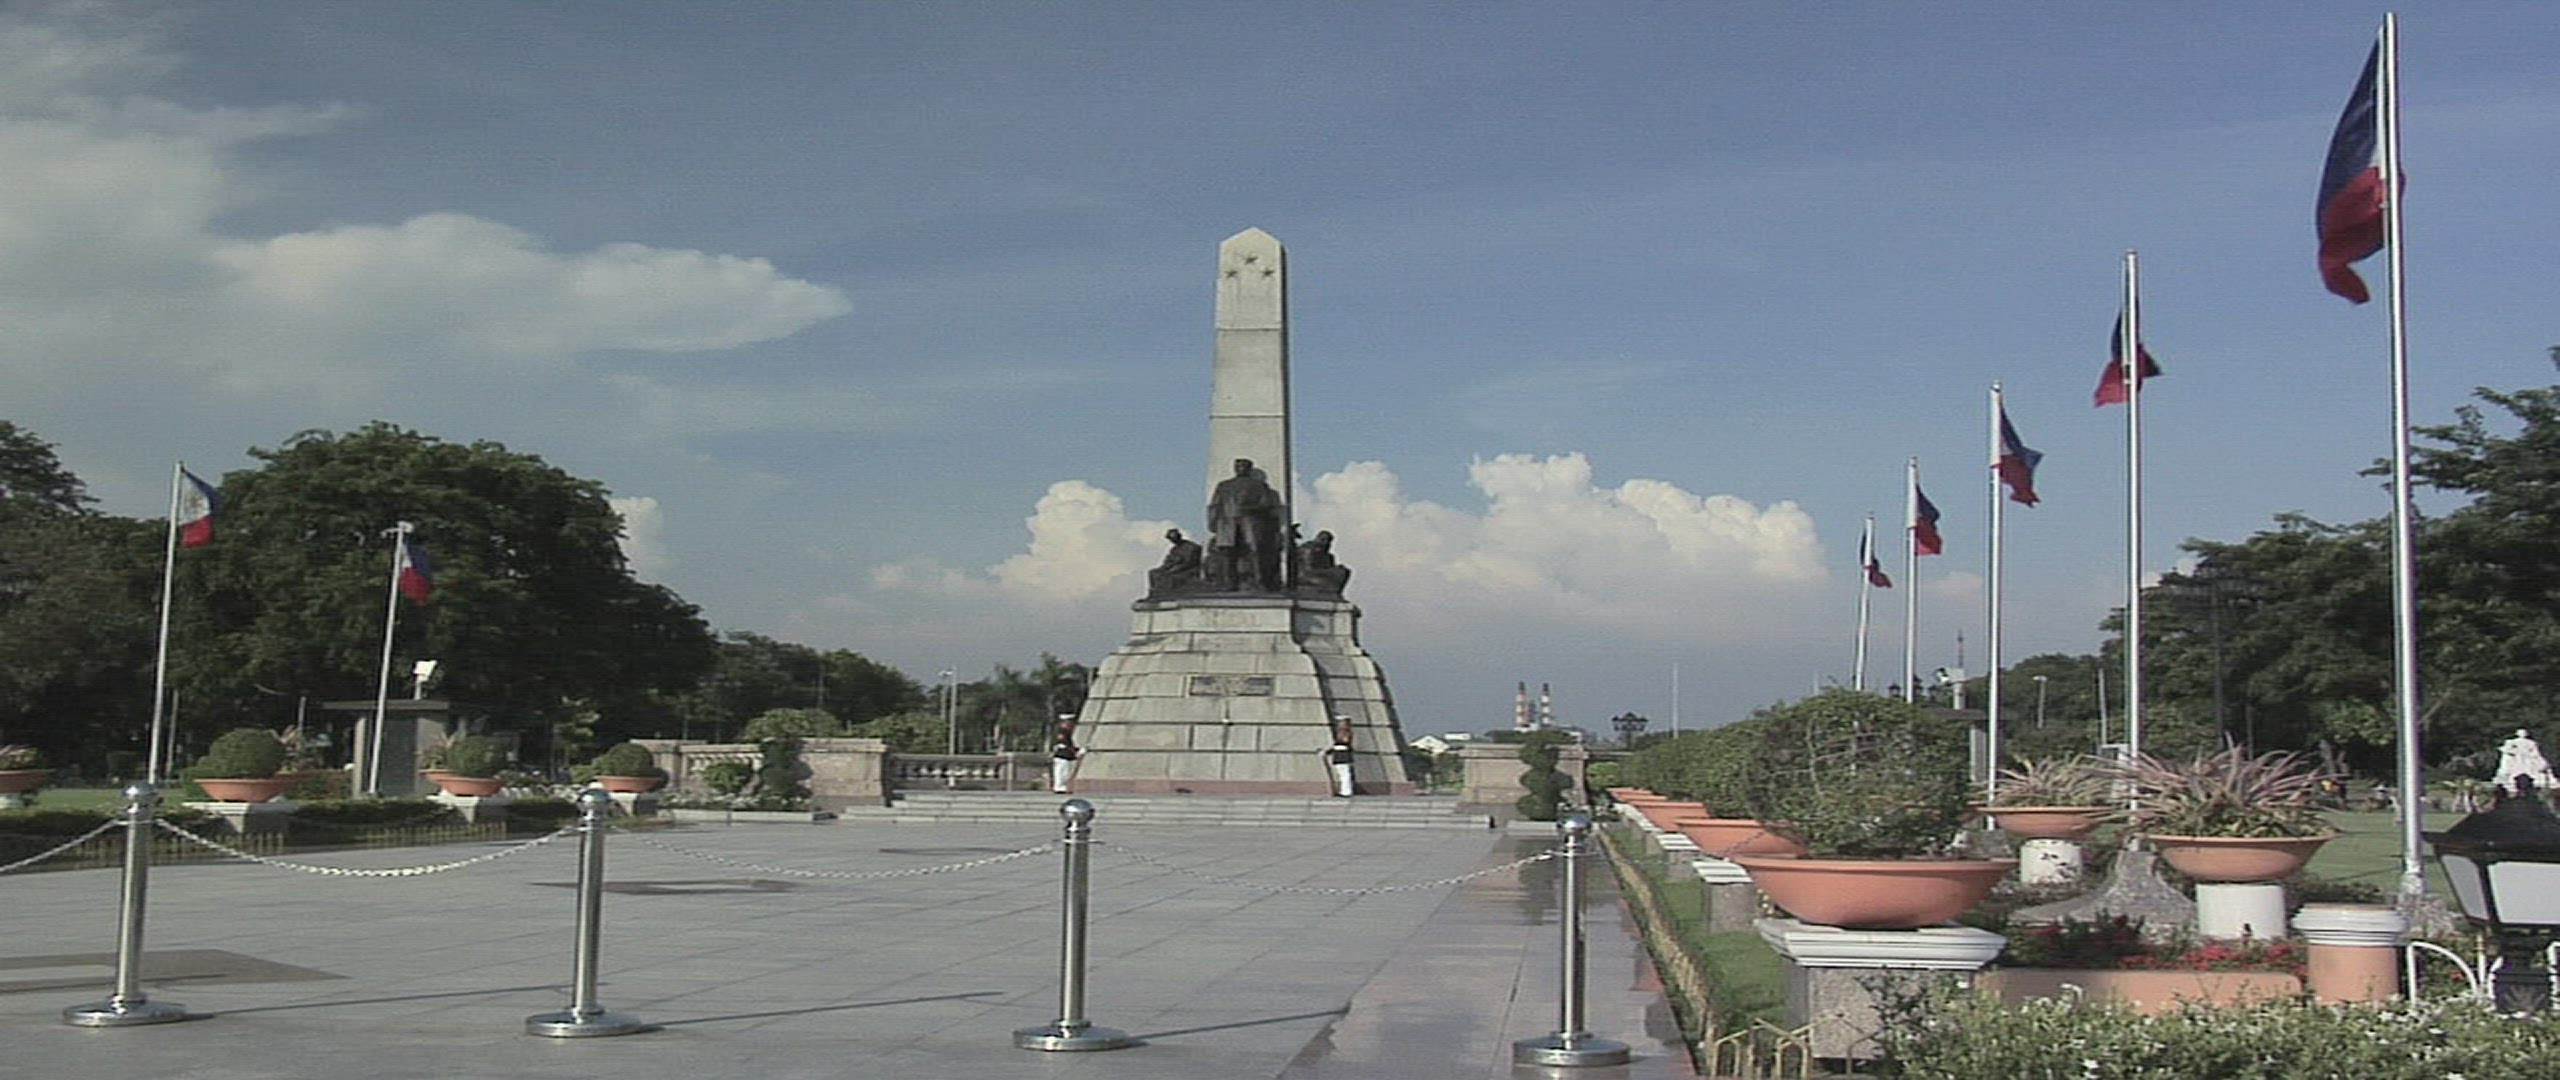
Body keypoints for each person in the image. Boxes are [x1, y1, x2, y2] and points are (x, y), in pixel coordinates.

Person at [1206, 457, 1283, 591]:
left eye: (1243, 466)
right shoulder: (1224, 485)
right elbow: (1215, 505)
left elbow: (1266, 504)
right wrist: (1212, 522)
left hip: (1251, 522)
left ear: (1249, 469)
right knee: (1228, 554)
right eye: (1238, 467)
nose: (1240, 469)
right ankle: (1229, 583)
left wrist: (1250, 509)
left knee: (1255, 552)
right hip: (1227, 523)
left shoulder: (1259, 485)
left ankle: (1260, 581)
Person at [1147, 527, 1205, 597]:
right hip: (1174, 568)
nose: (1173, 541)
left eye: (1174, 538)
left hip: (1187, 569)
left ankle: (1167, 593)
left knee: (1169, 576)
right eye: (1171, 539)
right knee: (1154, 572)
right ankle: (1155, 593)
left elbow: (1190, 562)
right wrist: (1163, 568)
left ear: (1179, 536)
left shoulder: (1191, 547)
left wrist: (1175, 568)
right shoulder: (1174, 549)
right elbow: (1168, 561)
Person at [1321, 720, 1357, 797]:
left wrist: (1327, 752)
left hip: (1342, 758)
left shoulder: (1345, 734)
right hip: (1341, 759)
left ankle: (1346, 791)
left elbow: (1341, 745)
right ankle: (1345, 791)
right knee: (1344, 775)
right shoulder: (1345, 734)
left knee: (1345, 775)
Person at [1050, 720, 1087, 794]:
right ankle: (1059, 787)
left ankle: (1061, 787)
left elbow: (1069, 745)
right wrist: (1076, 752)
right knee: (1061, 773)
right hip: (1062, 756)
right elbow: (1066, 746)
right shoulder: (1063, 733)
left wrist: (1078, 750)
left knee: (1064, 773)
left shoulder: (1064, 733)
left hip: (1065, 757)